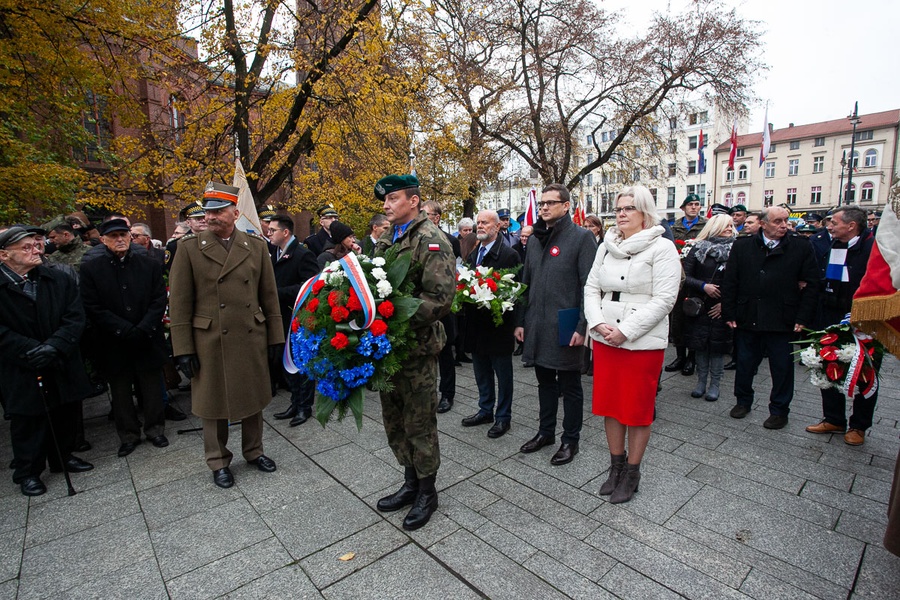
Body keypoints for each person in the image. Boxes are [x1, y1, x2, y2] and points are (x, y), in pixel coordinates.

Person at [168, 182, 284, 489]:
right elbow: (179, 304)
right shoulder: (188, 249)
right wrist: (183, 349)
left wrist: (276, 338)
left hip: (250, 334)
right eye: (208, 211)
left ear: (236, 212)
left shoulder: (256, 247)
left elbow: (268, 297)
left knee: (254, 397)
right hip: (209, 340)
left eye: (218, 211)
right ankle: (218, 461)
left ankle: (254, 451)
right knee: (212, 403)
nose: (211, 217)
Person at [584, 186, 679, 503]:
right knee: (610, 405)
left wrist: (626, 331)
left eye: (629, 208)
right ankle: (616, 466)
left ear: (645, 213)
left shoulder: (663, 247)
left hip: (641, 341)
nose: (621, 213)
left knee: (637, 410)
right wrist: (597, 323)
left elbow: (665, 299)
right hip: (606, 335)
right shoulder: (605, 246)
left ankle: (633, 471)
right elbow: (591, 289)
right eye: (619, 208)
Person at [372, 173, 455, 531]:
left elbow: (440, 300)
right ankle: (409, 482)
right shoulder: (389, 238)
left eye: (393, 199)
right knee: (395, 421)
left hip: (417, 349)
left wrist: (392, 313)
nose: (387, 206)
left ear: (414, 201)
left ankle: (427, 492)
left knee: (420, 423)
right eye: (385, 201)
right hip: (390, 348)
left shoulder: (432, 240)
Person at [0, 226, 94, 496]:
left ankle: (62, 458)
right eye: (26, 248)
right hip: (21, 362)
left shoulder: (57, 278)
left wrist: (56, 345)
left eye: (36, 245)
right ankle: (28, 471)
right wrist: (30, 349)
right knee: (28, 419)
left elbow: (75, 316)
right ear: (4, 255)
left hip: (59, 356)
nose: (36, 250)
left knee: (66, 410)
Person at [515, 183, 597, 465]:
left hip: (566, 324)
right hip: (538, 323)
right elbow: (526, 282)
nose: (545, 207)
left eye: (551, 203)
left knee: (571, 385)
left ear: (566, 206)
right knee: (544, 382)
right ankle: (545, 432)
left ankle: (570, 440)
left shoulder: (582, 238)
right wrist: (521, 320)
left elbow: (590, 285)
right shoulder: (536, 239)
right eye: (542, 204)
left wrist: (582, 326)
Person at [721, 206, 819, 429]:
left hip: (783, 318)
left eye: (785, 221)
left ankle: (779, 410)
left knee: (782, 367)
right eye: (777, 221)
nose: (783, 225)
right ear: (763, 224)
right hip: (748, 316)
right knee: (745, 364)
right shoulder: (743, 245)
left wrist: (803, 317)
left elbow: (812, 284)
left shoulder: (800, 246)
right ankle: (743, 401)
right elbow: (730, 282)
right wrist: (730, 312)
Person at [79, 219, 170, 457]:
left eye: (123, 235)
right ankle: (128, 435)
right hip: (113, 342)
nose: (120, 239)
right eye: (114, 236)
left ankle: (155, 429)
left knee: (151, 388)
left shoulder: (148, 265)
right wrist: (122, 329)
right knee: (120, 393)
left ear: (130, 237)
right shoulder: (91, 269)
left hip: (146, 337)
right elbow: (92, 306)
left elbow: (158, 299)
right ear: (103, 240)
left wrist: (143, 328)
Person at [805, 207, 877, 445]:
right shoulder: (835, 245)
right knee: (829, 364)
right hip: (831, 314)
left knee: (864, 372)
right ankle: (834, 418)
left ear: (851, 226)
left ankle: (859, 426)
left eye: (834, 222)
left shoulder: (873, 248)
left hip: (864, 319)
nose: (829, 226)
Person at [460, 210, 521, 438]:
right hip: (476, 324)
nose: (480, 226)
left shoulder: (509, 255)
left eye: (485, 223)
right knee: (481, 371)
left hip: (498, 326)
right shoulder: (474, 252)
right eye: (478, 223)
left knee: (503, 374)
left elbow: (514, 292)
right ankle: (485, 409)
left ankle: (503, 416)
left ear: (497, 227)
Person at [267, 215, 320, 426]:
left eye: (272, 230)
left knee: (302, 364)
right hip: (281, 316)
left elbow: (311, 286)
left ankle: (304, 407)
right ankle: (294, 402)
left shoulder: (302, 254)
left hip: (299, 318)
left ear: (285, 232)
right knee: (287, 364)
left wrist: (276, 293)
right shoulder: (274, 253)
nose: (269, 233)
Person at [681, 214, 735, 402]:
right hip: (700, 306)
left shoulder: (737, 249)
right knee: (700, 346)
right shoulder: (698, 248)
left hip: (722, 308)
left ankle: (715, 385)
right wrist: (704, 286)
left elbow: (742, 282)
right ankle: (701, 383)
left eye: (731, 225)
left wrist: (725, 305)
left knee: (718, 349)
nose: (730, 228)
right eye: (726, 225)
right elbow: (685, 276)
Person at [424, 201, 461, 414]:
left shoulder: (451, 240)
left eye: (427, 214)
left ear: (437, 217)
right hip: (424, 304)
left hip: (444, 305)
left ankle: (447, 394)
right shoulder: (417, 238)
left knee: (446, 351)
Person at [666, 193, 707, 376]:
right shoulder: (674, 226)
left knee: (693, 317)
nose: (694, 207)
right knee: (677, 319)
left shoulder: (705, 226)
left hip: (695, 275)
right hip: (676, 275)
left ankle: (692, 358)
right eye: (690, 204)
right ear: (683, 207)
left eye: (697, 204)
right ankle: (680, 355)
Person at [165, 202, 207, 272]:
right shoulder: (176, 245)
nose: (203, 221)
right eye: (198, 218)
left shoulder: (218, 239)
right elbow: (171, 271)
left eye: (205, 217)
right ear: (188, 222)